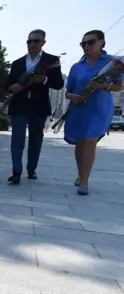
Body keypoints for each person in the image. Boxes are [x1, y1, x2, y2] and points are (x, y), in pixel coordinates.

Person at [64, 30, 123, 195]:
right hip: (78, 107)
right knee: (80, 142)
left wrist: (103, 86)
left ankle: (84, 182)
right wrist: (71, 96)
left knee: (90, 140)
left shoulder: (113, 63)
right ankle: (80, 173)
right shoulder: (76, 66)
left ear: (102, 43)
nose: (86, 46)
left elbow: (119, 86)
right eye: (83, 43)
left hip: (99, 107)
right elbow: (68, 91)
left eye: (90, 42)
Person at [5, 29, 64, 184]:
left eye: (36, 41)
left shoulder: (51, 60)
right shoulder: (17, 63)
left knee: (35, 140)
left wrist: (44, 80)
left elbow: (59, 84)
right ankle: (16, 172)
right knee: (17, 141)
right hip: (19, 106)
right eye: (29, 41)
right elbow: (7, 83)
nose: (32, 44)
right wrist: (12, 87)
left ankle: (31, 169)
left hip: (38, 107)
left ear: (43, 42)